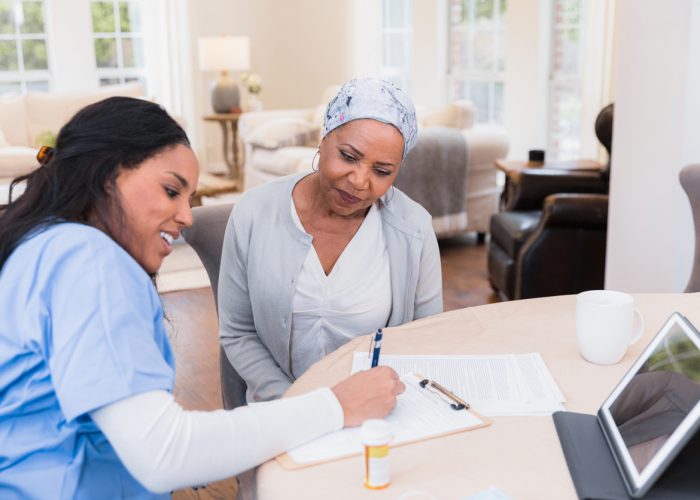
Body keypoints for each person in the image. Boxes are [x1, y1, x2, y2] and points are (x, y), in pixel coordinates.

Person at [0, 97, 405, 499]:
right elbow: (164, 453)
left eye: (188, 197)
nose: (187, 216)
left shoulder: (46, 247)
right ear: (107, 173)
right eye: (171, 189)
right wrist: (336, 405)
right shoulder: (88, 260)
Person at [219, 77, 443, 403]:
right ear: (323, 139)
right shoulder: (253, 213)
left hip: (377, 415)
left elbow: (426, 338)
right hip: (281, 412)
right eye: (349, 156)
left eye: (382, 171)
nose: (359, 180)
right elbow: (238, 332)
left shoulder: (415, 228)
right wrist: (297, 404)